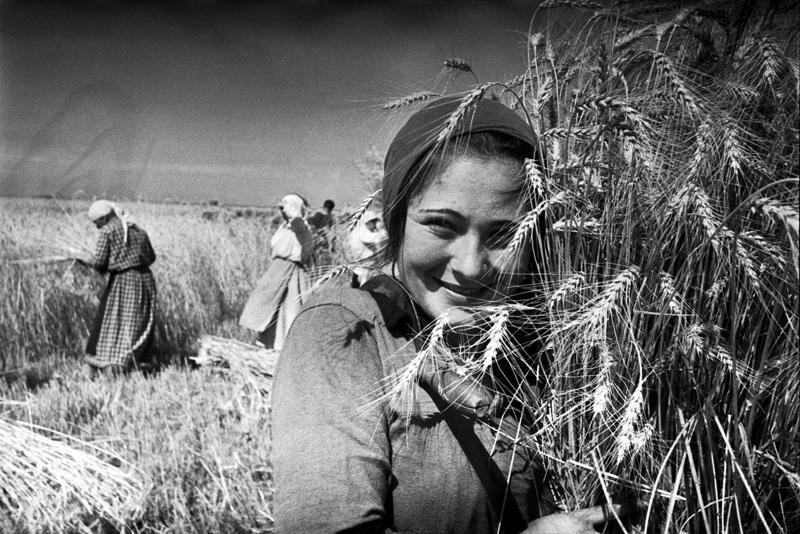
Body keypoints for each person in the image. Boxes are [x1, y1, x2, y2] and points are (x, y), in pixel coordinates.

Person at [271, 97, 634, 533]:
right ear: (397, 216)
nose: (471, 265)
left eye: (505, 234)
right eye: (442, 224)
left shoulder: (550, 340)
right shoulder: (345, 331)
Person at [80, 200, 157, 374]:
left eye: (96, 222)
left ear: (105, 217)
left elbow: (100, 262)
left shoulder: (108, 231)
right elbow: (151, 258)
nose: (97, 227)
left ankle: (113, 363)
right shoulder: (139, 231)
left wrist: (87, 262)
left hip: (124, 281)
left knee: (115, 321)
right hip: (145, 281)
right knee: (138, 323)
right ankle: (135, 361)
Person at [239, 194, 314, 350]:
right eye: (280, 208)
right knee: (271, 310)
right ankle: (270, 346)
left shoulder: (302, 227)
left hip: (293, 274)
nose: (281, 211)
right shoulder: (284, 227)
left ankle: (286, 350)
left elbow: (299, 226)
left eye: (284, 207)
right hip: (277, 271)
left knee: (290, 310)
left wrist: (295, 214)